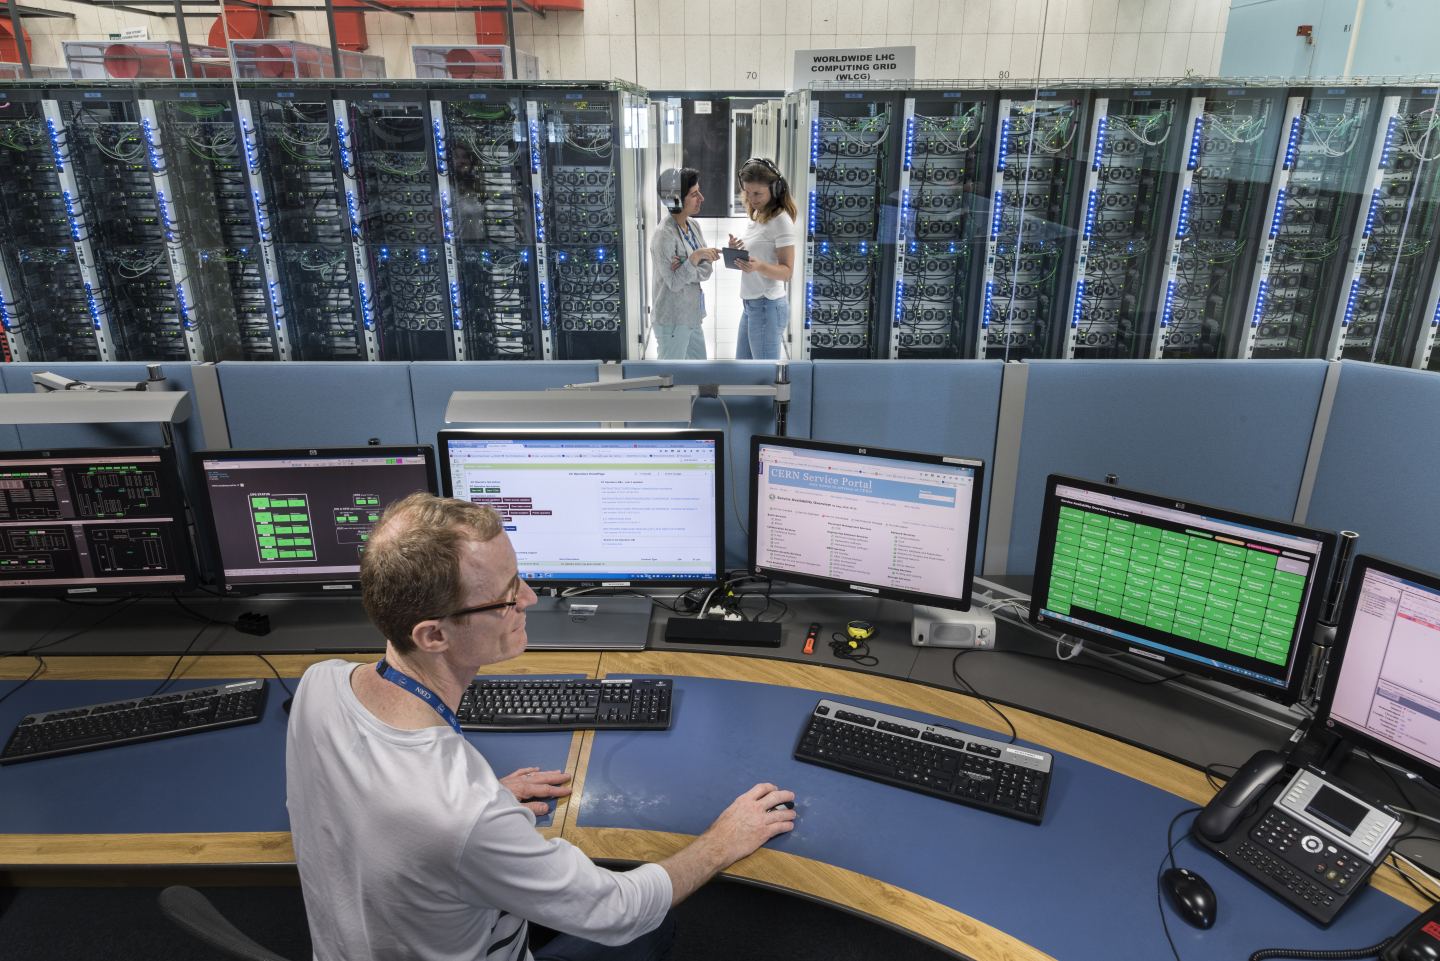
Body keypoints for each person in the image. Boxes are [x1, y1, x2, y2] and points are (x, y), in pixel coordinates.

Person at [286, 493, 795, 961]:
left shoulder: (320, 685)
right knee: (651, 926)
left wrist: (482, 803)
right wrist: (723, 840)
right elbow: (617, 910)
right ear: (434, 635)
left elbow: (387, 809)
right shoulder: (462, 815)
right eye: (507, 597)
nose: (529, 600)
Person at [727, 158, 797, 359]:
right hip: (751, 305)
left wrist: (758, 266)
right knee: (745, 373)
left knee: (764, 377)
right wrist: (736, 252)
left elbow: (787, 272)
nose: (751, 198)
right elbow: (757, 256)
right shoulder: (759, 214)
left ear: (775, 191)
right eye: (747, 192)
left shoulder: (781, 220)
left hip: (767, 306)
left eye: (757, 193)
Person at [649, 167, 720, 359]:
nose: (702, 198)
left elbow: (706, 270)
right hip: (672, 319)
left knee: (698, 374)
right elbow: (674, 283)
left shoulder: (693, 225)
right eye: (695, 194)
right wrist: (694, 258)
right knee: (672, 379)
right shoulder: (664, 234)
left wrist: (686, 264)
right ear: (677, 201)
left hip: (693, 315)